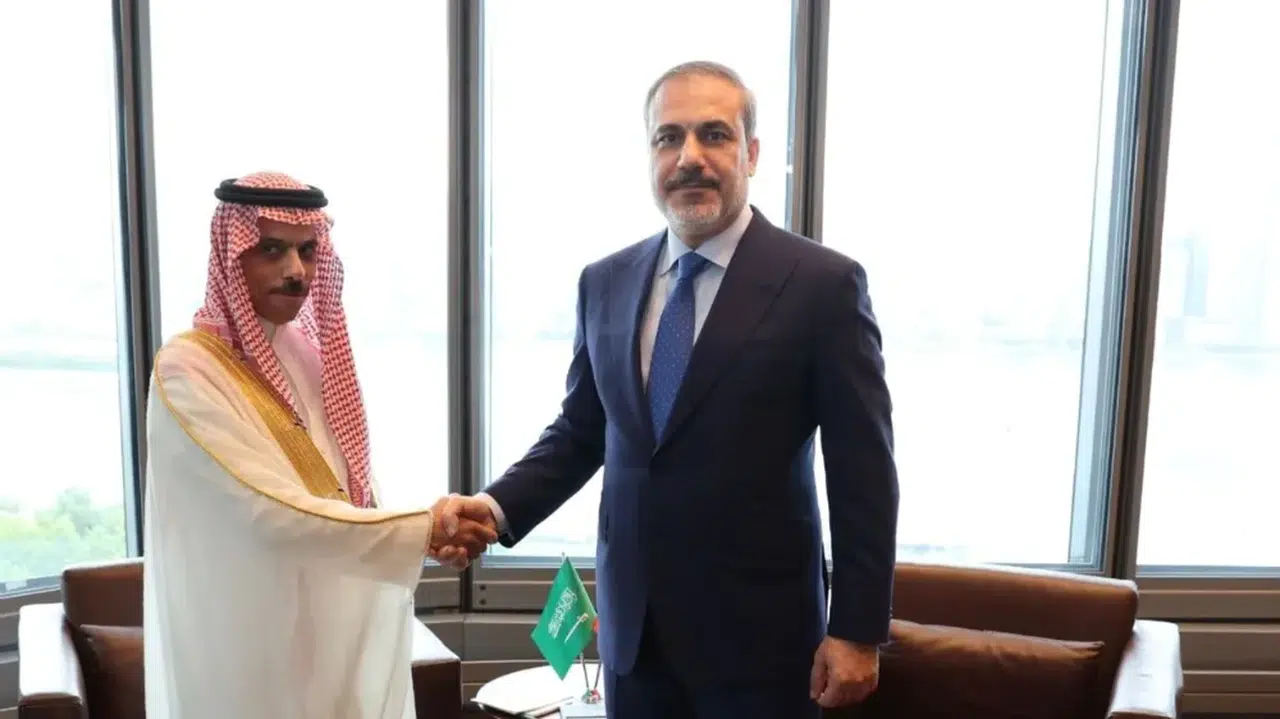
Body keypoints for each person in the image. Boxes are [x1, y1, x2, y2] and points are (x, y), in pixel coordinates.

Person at [442, 61, 900, 718]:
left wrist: (856, 629)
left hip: (765, 646)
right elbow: (581, 430)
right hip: (635, 643)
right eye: (669, 137)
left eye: (714, 134)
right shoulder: (604, 282)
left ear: (751, 152)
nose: (689, 157)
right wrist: (493, 509)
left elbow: (865, 472)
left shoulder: (823, 285)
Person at [143, 171, 494, 719]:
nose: (296, 271)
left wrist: (428, 531)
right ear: (231, 256)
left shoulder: (308, 355)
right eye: (272, 250)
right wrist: (420, 530)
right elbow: (265, 510)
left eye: (307, 251)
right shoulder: (188, 371)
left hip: (334, 628)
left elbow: (348, 489)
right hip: (248, 637)